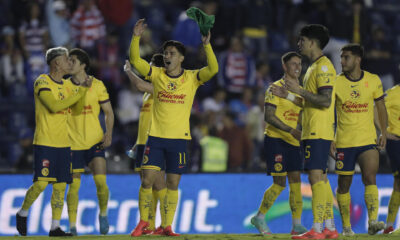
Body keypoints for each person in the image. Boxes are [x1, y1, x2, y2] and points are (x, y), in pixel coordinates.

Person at [128, 18, 218, 236]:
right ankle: (143, 222)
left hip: (179, 139)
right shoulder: (157, 74)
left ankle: (167, 226)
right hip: (156, 138)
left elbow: (213, 69)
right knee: (147, 180)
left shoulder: (192, 78)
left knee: (172, 184)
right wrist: (136, 37)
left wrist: (207, 46)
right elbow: (136, 62)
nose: (167, 56)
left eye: (172, 54)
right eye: (166, 53)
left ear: (181, 58)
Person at [271, 24, 338, 239]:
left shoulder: (324, 67)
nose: (298, 43)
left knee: (315, 177)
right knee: (322, 178)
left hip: (318, 130)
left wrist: (298, 90)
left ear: (312, 42)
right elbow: (308, 101)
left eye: (301, 40)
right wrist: (287, 96)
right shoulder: (313, 67)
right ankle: (329, 228)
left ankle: (318, 230)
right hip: (313, 129)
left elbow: (325, 101)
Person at [15, 47, 88, 237]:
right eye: (66, 60)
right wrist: (79, 93)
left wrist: (80, 89)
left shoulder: (67, 85)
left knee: (61, 186)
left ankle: (55, 227)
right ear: (56, 63)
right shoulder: (42, 81)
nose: (69, 63)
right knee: (40, 183)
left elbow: (78, 109)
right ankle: (22, 212)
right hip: (45, 141)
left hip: (64, 143)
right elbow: (54, 106)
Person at [330, 44, 387, 236]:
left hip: (367, 139)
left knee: (370, 178)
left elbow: (380, 108)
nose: (342, 61)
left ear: (357, 59)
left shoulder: (373, 80)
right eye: (342, 57)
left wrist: (383, 132)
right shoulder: (336, 82)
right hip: (344, 141)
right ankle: (346, 227)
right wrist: (330, 137)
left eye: (346, 57)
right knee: (344, 185)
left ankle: (372, 222)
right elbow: (329, 112)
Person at [251, 52, 307, 236]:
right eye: (293, 64)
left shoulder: (299, 90)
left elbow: (305, 106)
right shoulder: (274, 88)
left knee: (296, 181)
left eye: (299, 63)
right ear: (285, 66)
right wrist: (292, 130)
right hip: (276, 139)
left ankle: (297, 225)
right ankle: (259, 217)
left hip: (292, 141)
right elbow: (269, 117)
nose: (297, 67)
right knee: (280, 183)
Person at [65, 48, 114, 236]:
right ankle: (72, 226)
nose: (69, 64)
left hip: (95, 141)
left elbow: (109, 112)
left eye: (72, 61)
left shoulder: (98, 84)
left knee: (101, 183)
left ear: (83, 65)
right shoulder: (64, 86)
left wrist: (108, 134)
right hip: (73, 143)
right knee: (74, 186)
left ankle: (103, 214)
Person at [124, 53, 167, 234]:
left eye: (150, 65)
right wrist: (137, 143)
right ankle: (150, 225)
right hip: (143, 143)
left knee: (157, 185)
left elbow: (139, 84)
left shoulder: (162, 87)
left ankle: (165, 224)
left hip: (156, 142)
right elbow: (145, 121)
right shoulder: (147, 96)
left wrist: (128, 71)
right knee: (146, 184)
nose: (147, 69)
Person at [380, 83, 400, 234]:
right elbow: (375, 108)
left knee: (398, 183)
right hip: (396, 141)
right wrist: (383, 131)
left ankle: (389, 225)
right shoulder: (392, 93)